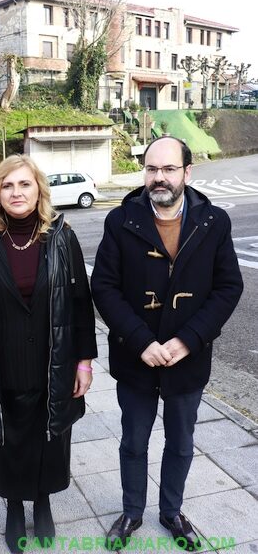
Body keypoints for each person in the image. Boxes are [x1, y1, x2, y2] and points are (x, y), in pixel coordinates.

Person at [91, 137, 243, 551]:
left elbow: (229, 287)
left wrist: (189, 339)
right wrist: (140, 341)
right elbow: (103, 287)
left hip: (188, 361)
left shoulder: (214, 222)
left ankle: (171, 510)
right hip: (136, 359)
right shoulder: (121, 220)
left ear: (187, 173)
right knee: (133, 441)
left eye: (169, 169)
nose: (159, 177)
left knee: (181, 442)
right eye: (152, 169)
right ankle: (132, 511)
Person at [0, 154, 97, 553]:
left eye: (25, 184)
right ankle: (14, 504)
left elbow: (80, 301)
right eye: (8, 185)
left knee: (47, 434)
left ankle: (43, 501)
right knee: (8, 436)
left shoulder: (61, 236)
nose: (17, 193)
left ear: (39, 191)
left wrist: (84, 361)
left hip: (52, 359)